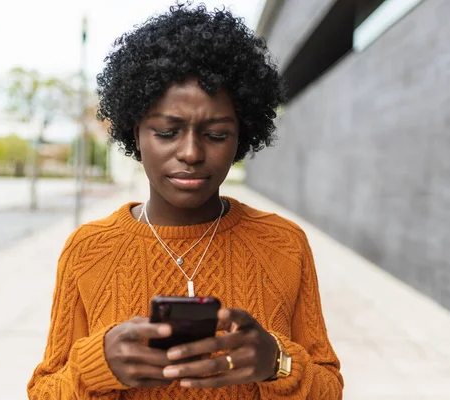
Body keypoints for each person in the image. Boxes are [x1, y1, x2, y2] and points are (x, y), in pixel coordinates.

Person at [28, 3, 343, 399]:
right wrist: (94, 366)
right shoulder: (87, 250)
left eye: (215, 135)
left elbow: (330, 387)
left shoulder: (284, 244)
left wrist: (277, 361)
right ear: (135, 132)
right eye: (166, 132)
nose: (191, 152)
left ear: (242, 137)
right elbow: (43, 391)